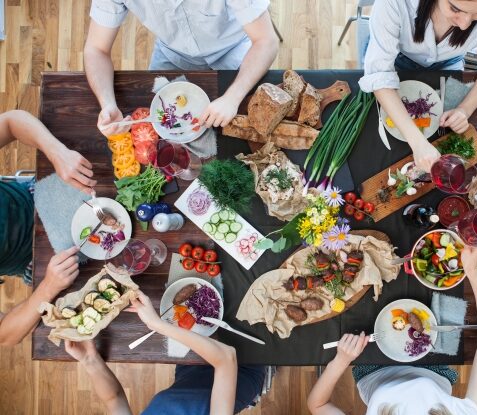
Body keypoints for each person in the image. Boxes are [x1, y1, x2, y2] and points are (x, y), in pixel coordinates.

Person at [307, 245, 477, 415]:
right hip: (436, 370)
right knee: (448, 300)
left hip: (373, 372)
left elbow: (318, 405)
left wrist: (341, 360)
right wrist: (472, 272)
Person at [359, 0, 477, 171]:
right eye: (455, 8)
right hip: (395, 57)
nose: (464, 25)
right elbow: (380, 74)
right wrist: (418, 143)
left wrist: (465, 109)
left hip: (449, 61)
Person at [85, 0, 280, 136]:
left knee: (244, 127)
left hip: (232, 49)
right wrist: (107, 103)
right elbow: (96, 49)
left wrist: (232, 97)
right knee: (160, 132)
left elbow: (266, 41)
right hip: (172, 53)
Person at [66, 291, 265, 414]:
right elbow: (226, 358)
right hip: (243, 368)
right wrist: (156, 324)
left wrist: (89, 360)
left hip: (190, 370)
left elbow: (114, 399)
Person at [0, 109, 92, 344]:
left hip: (43, 193)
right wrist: (47, 288)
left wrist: (56, 152)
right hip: (45, 263)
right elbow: (5, 335)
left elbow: (11, 123)